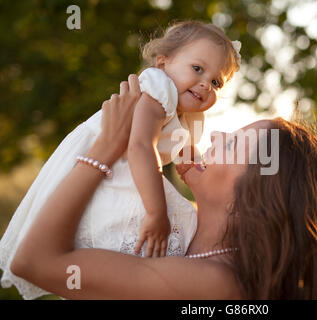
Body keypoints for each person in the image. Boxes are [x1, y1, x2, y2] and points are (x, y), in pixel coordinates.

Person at [9, 74, 317, 299]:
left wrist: (104, 148)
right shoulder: (180, 229)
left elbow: (33, 261)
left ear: (247, 202)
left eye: (231, 145)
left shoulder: (218, 283)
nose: (218, 134)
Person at [0, 21, 241, 299]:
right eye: (197, 69)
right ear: (163, 63)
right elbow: (140, 147)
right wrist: (156, 213)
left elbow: (187, 151)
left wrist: (197, 162)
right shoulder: (157, 88)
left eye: (216, 82)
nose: (205, 84)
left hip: (115, 166)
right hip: (105, 158)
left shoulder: (185, 112)